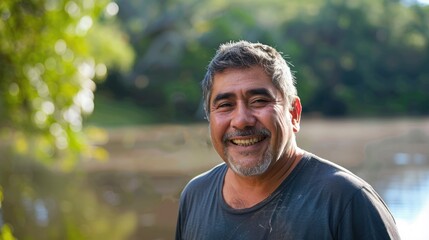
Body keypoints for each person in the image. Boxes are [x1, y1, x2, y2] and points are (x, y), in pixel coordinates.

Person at [175, 40, 400, 240]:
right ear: (210, 117)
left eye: (258, 101)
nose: (241, 121)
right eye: (225, 105)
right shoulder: (196, 195)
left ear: (293, 113)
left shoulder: (347, 201)